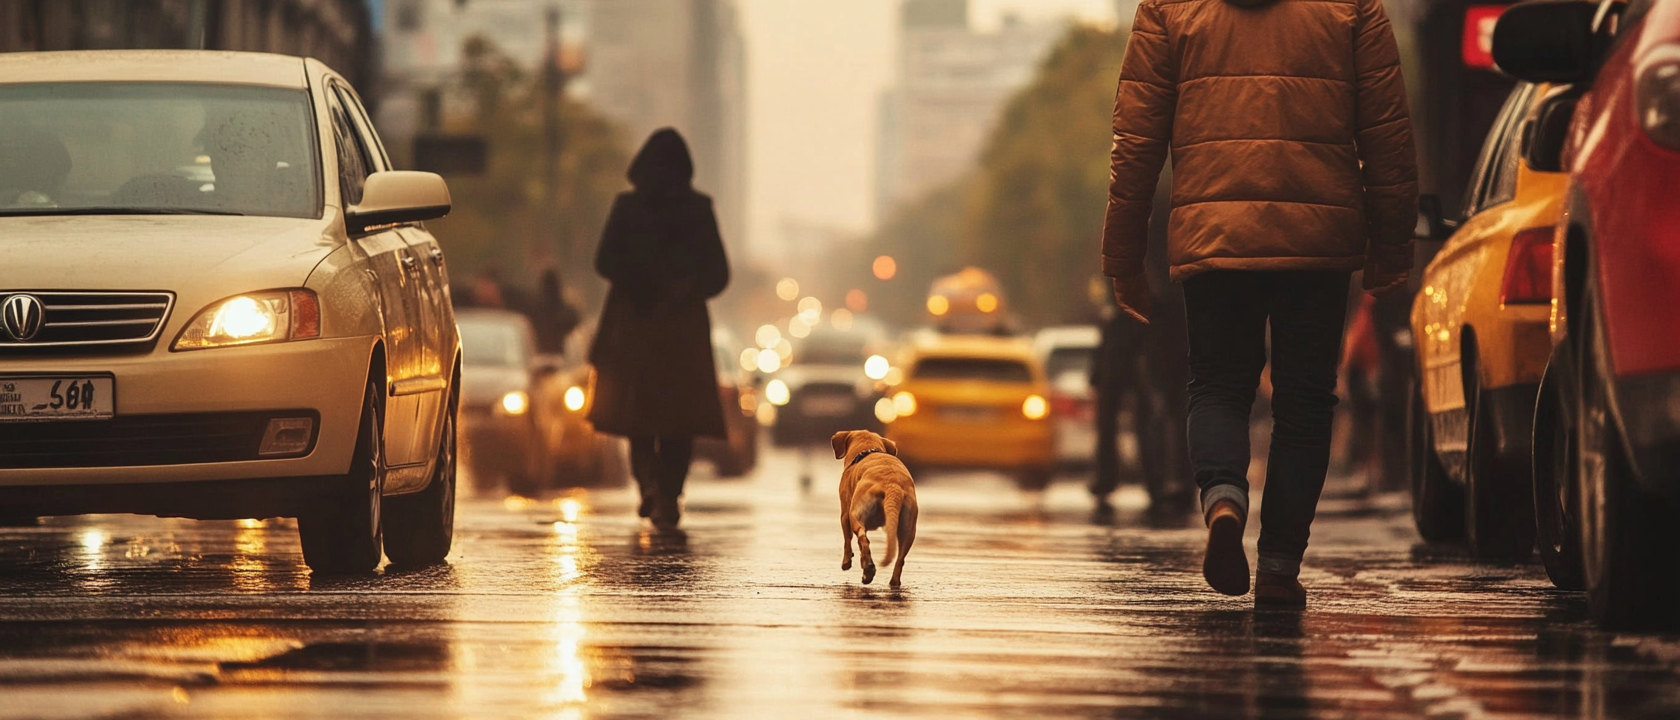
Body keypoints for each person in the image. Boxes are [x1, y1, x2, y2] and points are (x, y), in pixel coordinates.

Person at [1102, 0, 1417, 607]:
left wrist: (1124, 256)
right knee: (1305, 403)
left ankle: (1223, 500)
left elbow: (1135, 141)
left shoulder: (1169, 8)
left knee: (1218, 387)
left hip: (1214, 236)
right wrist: (1392, 242)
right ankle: (1277, 567)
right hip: (1317, 240)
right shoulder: (1352, 8)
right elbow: (1387, 132)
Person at [588, 128, 730, 530]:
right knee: (678, 421)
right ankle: (668, 494)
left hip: (633, 329)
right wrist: (685, 289)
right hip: (681, 333)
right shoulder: (699, 209)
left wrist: (638, 285)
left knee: (638, 419)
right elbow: (719, 274)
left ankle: (649, 485)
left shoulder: (627, 207)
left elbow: (604, 261)